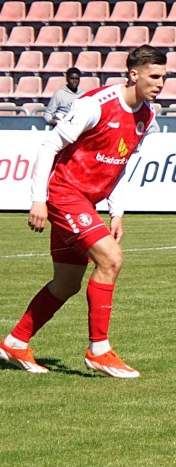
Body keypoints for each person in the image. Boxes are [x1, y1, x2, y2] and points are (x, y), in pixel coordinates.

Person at [2, 47, 166, 378]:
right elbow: (49, 145)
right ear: (133, 74)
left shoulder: (146, 117)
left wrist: (116, 211)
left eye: (164, 77)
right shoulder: (96, 104)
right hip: (65, 194)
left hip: (86, 201)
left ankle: (15, 343)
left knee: (66, 284)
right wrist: (38, 199)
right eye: (155, 76)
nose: (160, 83)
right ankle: (99, 350)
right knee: (111, 259)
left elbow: (120, 165)